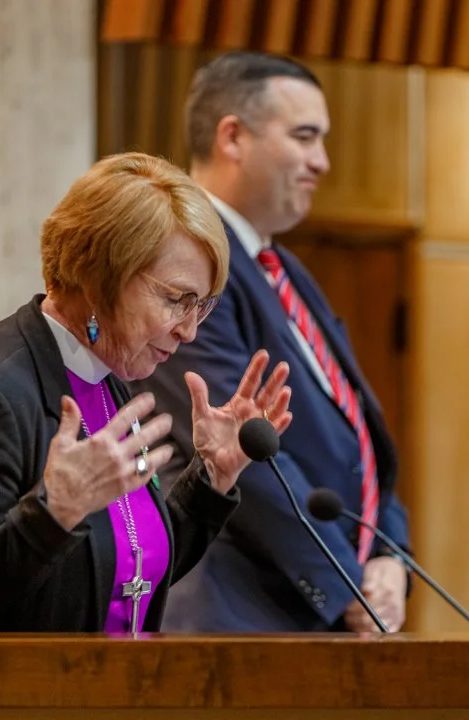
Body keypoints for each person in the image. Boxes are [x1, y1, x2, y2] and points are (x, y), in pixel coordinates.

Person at [0, 152, 292, 632]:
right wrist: (52, 513)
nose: (189, 331)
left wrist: (211, 480)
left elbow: (121, 577)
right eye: (175, 300)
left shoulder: (104, 378)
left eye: (200, 305)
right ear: (99, 276)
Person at [129, 52, 411, 632]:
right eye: (305, 137)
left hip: (305, 610)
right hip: (239, 612)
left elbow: (355, 433)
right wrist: (346, 582)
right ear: (233, 136)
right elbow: (244, 448)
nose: (322, 161)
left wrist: (390, 554)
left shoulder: (279, 266)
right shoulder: (185, 262)